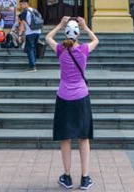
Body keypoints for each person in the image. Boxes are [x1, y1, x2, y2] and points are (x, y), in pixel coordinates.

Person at [45, 16, 98, 191]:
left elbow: (48, 38)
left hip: (64, 97)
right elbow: (96, 40)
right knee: (84, 138)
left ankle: (67, 177)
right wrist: (86, 27)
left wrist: (59, 25)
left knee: (65, 138)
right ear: (78, 34)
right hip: (81, 97)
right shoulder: (84, 50)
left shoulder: (60, 50)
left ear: (66, 34)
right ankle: (85, 178)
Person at [17, 0, 43, 72]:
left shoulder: (24, 12)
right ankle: (33, 63)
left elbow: (22, 24)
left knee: (30, 49)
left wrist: (19, 35)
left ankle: (32, 66)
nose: (20, 6)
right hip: (38, 31)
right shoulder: (34, 10)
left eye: (21, 4)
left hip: (30, 32)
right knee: (33, 48)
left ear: (25, 4)